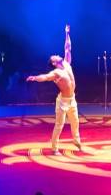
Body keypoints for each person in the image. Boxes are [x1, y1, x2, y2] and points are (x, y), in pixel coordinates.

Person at [26, 25, 81, 155]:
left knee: (75, 122)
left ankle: (77, 141)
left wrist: (67, 33)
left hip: (72, 99)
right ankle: (54, 148)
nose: (57, 55)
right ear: (54, 63)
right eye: (54, 57)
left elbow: (68, 47)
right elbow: (45, 77)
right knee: (59, 125)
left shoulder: (67, 62)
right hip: (62, 102)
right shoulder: (56, 72)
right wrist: (34, 78)